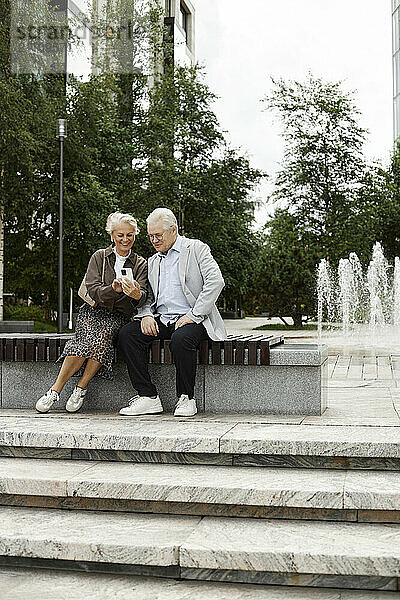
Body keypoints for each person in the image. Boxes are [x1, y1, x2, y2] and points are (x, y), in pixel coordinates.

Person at [118, 207, 226, 417]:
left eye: (158, 235)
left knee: (181, 339)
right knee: (127, 334)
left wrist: (193, 315)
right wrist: (147, 313)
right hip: (163, 319)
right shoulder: (153, 261)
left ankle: (186, 398)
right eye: (151, 236)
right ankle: (148, 397)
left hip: (196, 319)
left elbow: (216, 282)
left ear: (173, 230)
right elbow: (148, 295)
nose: (154, 241)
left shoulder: (196, 249)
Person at [35, 212, 148, 414]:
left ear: (135, 235)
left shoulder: (140, 263)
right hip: (92, 311)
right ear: (112, 235)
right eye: (120, 235)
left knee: (102, 337)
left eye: (129, 235)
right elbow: (93, 290)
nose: (125, 239)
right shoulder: (99, 257)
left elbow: (142, 297)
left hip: (117, 316)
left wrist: (136, 294)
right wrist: (113, 290)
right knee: (88, 340)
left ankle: (81, 387)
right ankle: (55, 390)